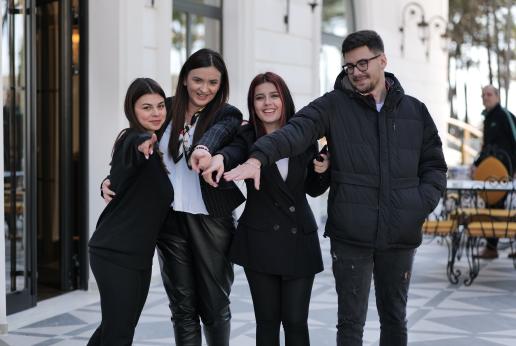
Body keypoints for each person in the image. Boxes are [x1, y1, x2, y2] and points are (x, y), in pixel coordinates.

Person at [224, 30, 447, 346]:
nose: (356, 72)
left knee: (395, 318)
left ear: (382, 60)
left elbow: (435, 166)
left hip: (400, 234)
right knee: (350, 324)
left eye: (362, 63)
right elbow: (296, 130)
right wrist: (260, 157)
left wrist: (417, 205)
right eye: (349, 66)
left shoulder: (415, 110)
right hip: (351, 236)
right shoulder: (333, 105)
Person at [102, 48, 244, 346]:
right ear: (184, 80)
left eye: (213, 82)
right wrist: (109, 179)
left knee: (215, 306)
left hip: (211, 222)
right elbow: (134, 143)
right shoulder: (163, 109)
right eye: (197, 80)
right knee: (182, 307)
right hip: (167, 222)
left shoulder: (227, 114)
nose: (204, 88)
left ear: (221, 85)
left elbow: (219, 133)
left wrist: (204, 149)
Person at [202, 72, 330, 346]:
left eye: (274, 96)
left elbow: (313, 188)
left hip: (299, 240)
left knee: (296, 322)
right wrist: (218, 158)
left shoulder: (302, 135)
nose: (267, 103)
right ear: (252, 104)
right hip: (260, 239)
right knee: (267, 322)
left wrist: (322, 171)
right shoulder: (246, 136)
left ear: (284, 100)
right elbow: (232, 152)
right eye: (260, 97)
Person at [88, 78, 173, 345]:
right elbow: (132, 147)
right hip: (114, 254)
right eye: (146, 107)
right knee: (119, 333)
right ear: (132, 111)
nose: (156, 113)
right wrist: (142, 142)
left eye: (160, 106)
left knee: (116, 328)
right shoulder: (132, 139)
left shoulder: (156, 150)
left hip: (137, 257)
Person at [473, 85, 516, 259]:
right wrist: (476, 164)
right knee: (492, 206)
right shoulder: (487, 118)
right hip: (490, 174)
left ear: (497, 96)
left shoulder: (505, 115)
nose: (485, 97)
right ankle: (491, 248)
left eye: (489, 94)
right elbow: (486, 148)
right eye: (483, 95)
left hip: (507, 171)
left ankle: (493, 246)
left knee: (510, 209)